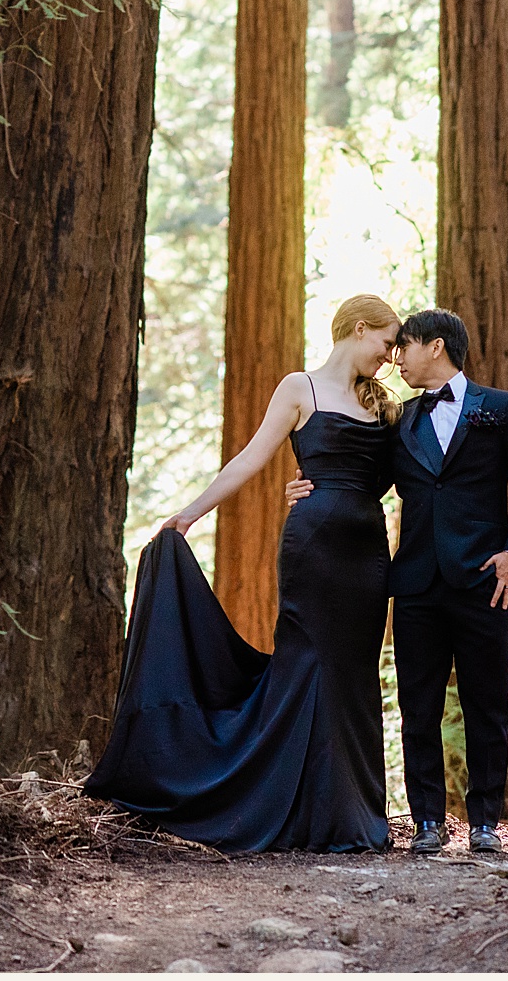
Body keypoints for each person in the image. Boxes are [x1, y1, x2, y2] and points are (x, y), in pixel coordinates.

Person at [81, 293, 402, 852]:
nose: (391, 354)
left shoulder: (385, 406)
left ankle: (349, 814)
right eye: (387, 340)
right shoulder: (298, 388)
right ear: (357, 328)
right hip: (312, 553)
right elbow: (251, 458)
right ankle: (292, 808)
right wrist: (188, 514)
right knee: (310, 665)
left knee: (352, 674)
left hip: (367, 558)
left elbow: (406, 475)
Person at [289, 306, 508, 855]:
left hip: (487, 581)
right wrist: (311, 488)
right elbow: (362, 477)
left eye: (402, 347)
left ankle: (484, 824)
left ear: (434, 347)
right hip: (413, 585)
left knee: (486, 702)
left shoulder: (502, 410)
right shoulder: (399, 421)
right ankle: (429, 821)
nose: (394, 359)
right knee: (418, 704)